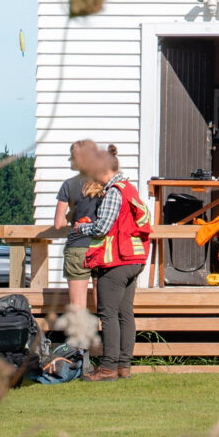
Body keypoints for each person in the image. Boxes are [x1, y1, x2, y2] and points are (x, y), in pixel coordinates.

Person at [75, 144, 150, 380]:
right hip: (134, 259)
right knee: (125, 313)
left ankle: (107, 368)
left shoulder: (113, 192)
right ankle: (123, 367)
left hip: (117, 261)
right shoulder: (128, 189)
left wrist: (82, 227)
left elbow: (102, 228)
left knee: (107, 314)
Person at [55, 139, 103, 324]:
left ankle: (81, 342)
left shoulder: (68, 185)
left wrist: (72, 214)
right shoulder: (103, 184)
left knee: (78, 309)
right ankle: (105, 341)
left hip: (77, 248)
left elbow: (58, 224)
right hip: (101, 247)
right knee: (104, 308)